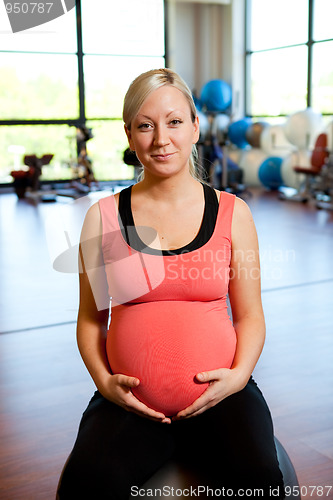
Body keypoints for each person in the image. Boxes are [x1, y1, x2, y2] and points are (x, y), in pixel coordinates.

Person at [57, 68, 285, 499]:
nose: (161, 139)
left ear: (195, 127)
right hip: (129, 404)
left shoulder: (234, 214)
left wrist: (238, 377)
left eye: (175, 122)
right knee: (81, 489)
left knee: (262, 484)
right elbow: (91, 319)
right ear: (129, 134)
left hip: (224, 396)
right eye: (145, 125)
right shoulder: (103, 217)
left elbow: (252, 316)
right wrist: (105, 383)